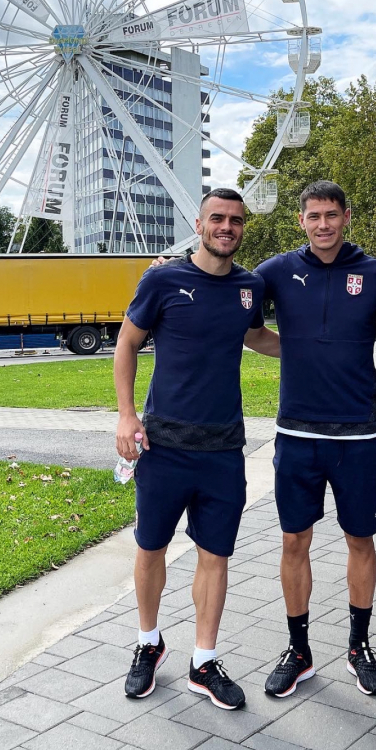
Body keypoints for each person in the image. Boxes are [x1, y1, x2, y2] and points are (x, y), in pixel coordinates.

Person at [114, 188, 271, 710]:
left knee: (215, 555)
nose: (227, 227)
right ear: (199, 225)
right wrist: (126, 415)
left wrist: (322, 345)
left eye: (236, 220)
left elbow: (256, 337)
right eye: (217, 218)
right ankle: (148, 644)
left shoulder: (250, 286)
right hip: (164, 445)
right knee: (151, 547)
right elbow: (127, 343)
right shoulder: (162, 279)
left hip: (224, 449)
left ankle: (204, 661)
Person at [255, 180, 376, 698]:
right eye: (313, 216)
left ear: (346, 216)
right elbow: (238, 316)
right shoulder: (275, 271)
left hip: (359, 434)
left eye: (332, 215)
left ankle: (359, 647)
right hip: (296, 433)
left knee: (360, 540)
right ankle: (299, 651)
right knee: (294, 541)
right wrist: (297, 348)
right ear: (301, 221)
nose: (323, 224)